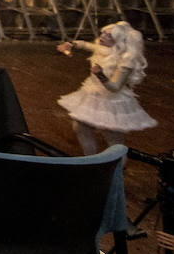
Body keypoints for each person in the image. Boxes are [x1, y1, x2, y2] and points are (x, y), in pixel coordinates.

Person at [56, 21, 157, 154]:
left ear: (118, 40)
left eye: (108, 35)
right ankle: (90, 161)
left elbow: (115, 87)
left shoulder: (126, 61)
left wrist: (100, 74)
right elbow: (85, 45)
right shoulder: (104, 49)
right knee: (81, 127)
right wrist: (71, 44)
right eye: (103, 33)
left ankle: (116, 169)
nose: (102, 36)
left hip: (113, 103)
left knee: (114, 141)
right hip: (94, 96)